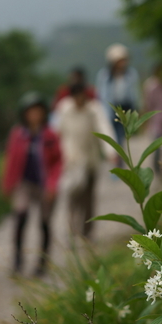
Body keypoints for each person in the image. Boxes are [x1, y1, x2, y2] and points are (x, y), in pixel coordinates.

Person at [1, 92, 62, 276]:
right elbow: (11, 160)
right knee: (20, 217)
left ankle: (42, 263)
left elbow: (57, 162)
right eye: (31, 112)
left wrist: (52, 186)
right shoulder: (19, 135)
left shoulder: (49, 135)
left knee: (44, 223)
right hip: (24, 183)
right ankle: (18, 260)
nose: (34, 116)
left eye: (38, 111)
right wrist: (7, 184)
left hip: (44, 184)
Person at [54, 82, 116, 238]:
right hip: (71, 161)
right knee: (73, 197)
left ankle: (87, 233)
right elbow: (56, 132)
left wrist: (111, 150)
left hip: (90, 161)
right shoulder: (64, 109)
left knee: (88, 198)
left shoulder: (94, 110)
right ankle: (72, 230)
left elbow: (104, 128)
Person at [95, 44, 140, 147]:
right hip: (111, 110)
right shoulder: (105, 76)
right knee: (112, 136)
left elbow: (134, 94)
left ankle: (120, 160)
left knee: (121, 136)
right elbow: (101, 95)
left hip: (125, 109)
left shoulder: (130, 74)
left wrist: (135, 112)